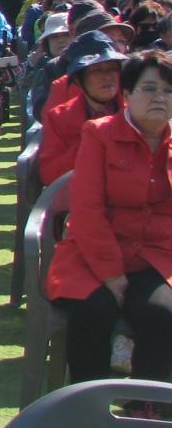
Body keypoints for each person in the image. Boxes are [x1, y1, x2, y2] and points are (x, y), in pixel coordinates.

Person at [46, 50, 172, 390]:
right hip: (92, 253)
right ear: (127, 96)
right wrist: (112, 274)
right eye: (149, 89)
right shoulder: (98, 134)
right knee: (92, 311)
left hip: (157, 256)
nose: (160, 98)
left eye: (168, 90)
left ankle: (146, 409)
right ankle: (87, 407)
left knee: (162, 314)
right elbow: (86, 208)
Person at [39, 31, 127, 186]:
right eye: (97, 70)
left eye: (112, 69)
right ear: (79, 80)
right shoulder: (58, 118)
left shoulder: (135, 113)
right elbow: (49, 175)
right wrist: (90, 142)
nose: (107, 76)